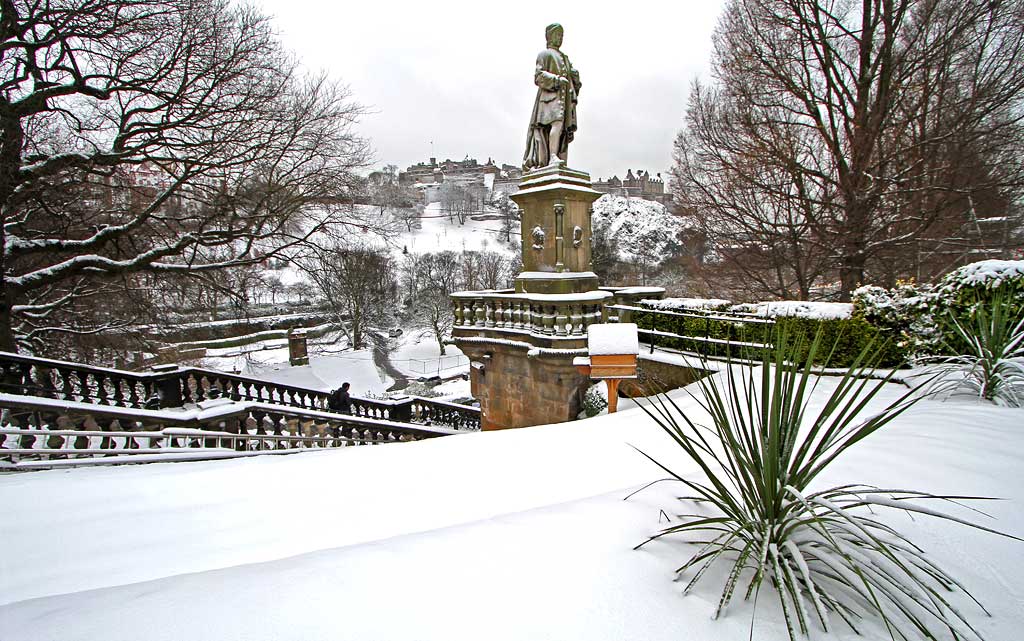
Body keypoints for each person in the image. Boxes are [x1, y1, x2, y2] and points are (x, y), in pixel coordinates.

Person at [523, 23, 581, 171]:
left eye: (562, 35)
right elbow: (538, 76)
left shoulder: (565, 58)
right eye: (557, 35)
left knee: (560, 128)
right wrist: (556, 80)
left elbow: (574, 80)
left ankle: (557, 157)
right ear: (549, 36)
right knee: (555, 125)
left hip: (564, 100)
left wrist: (575, 77)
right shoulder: (545, 54)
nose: (560, 38)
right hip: (548, 99)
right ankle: (552, 156)